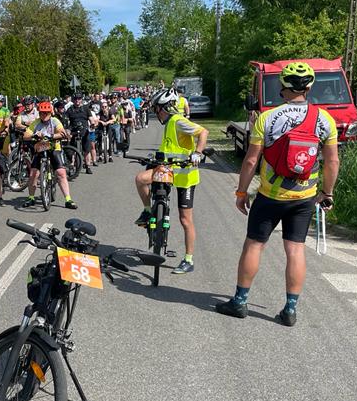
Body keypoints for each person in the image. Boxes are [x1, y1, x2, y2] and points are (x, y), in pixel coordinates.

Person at [215, 61, 340, 326]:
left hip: (270, 196)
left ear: (282, 85)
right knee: (295, 250)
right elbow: (332, 162)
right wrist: (326, 193)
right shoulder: (325, 119)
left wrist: (241, 192)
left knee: (254, 245)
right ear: (309, 87)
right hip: (305, 197)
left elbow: (250, 161)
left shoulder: (268, 117)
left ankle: (239, 302)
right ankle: (290, 309)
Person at [133, 87, 208, 274]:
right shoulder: (168, 124)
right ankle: (148, 211)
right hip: (167, 170)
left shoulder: (177, 120)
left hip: (185, 175)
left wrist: (197, 153)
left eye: (156, 108)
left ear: (163, 108)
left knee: (185, 220)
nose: (155, 113)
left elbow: (203, 132)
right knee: (141, 178)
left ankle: (188, 260)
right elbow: (170, 148)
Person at [22, 100, 77, 210]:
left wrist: (52, 135)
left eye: (46, 113)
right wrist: (34, 135)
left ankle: (68, 199)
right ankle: (31, 197)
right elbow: (25, 135)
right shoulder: (36, 123)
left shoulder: (55, 121)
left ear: (50, 112)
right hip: (41, 148)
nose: (44, 115)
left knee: (61, 172)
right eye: (42, 113)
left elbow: (62, 132)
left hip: (54, 148)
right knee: (33, 173)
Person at [65, 94, 92, 174]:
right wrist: (67, 130)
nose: (77, 100)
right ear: (73, 100)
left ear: (81, 99)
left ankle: (88, 166)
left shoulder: (86, 109)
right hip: (73, 131)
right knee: (72, 150)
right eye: (75, 99)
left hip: (84, 131)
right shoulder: (70, 110)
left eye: (79, 99)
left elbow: (91, 118)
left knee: (87, 149)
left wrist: (93, 123)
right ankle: (72, 166)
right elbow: (66, 121)